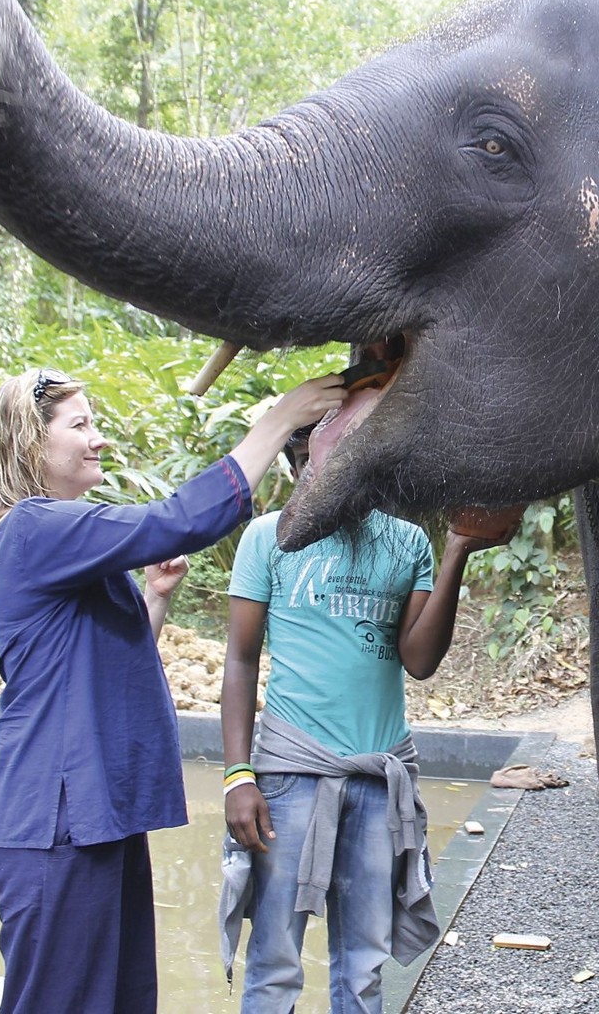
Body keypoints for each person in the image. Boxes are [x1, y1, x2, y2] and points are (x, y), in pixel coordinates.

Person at [0, 366, 345, 1014]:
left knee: (121, 998)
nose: (98, 440)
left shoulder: (62, 539)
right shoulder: (32, 526)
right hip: (56, 823)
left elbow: (95, 661)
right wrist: (279, 421)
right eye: (79, 425)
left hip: (98, 816)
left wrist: (153, 599)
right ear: (30, 443)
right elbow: (174, 520)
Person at [219, 426, 516, 1014]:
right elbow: (241, 658)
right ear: (295, 467)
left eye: (340, 461)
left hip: (380, 780)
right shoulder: (267, 539)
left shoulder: (407, 544)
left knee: (363, 966)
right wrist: (238, 774)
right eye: (308, 462)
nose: (324, 475)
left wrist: (457, 547)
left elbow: (420, 659)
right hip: (290, 774)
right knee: (275, 960)